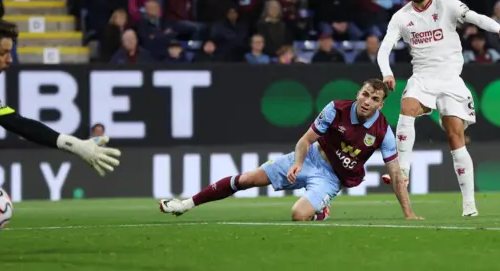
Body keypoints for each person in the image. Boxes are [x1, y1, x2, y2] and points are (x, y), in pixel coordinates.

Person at [158, 79, 423, 221]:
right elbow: (305, 140)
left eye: (375, 99)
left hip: (331, 178)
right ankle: (186, 204)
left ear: (381, 104)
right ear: (358, 93)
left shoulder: (382, 131)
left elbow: (396, 174)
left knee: (298, 215)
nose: (367, 101)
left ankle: (320, 208)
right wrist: (297, 163)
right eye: (365, 94)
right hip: (309, 157)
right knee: (247, 179)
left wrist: (408, 213)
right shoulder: (336, 108)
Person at [377, 0, 500, 217]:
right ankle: (403, 172)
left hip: (451, 79)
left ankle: (469, 205)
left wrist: (499, 29)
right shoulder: (401, 17)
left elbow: (476, 17)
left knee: (455, 138)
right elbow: (384, 48)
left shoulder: (448, 5)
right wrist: (387, 72)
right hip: (422, 77)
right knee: (406, 107)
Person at [0, 18, 122, 214]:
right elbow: (19, 125)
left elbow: (19, 123)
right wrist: (76, 145)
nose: (10, 59)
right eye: (3, 53)